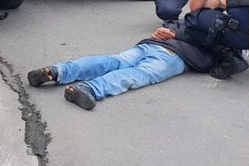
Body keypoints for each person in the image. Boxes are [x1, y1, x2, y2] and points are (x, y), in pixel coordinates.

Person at [26, 17, 220, 111]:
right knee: (138, 74)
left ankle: (56, 71)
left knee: (113, 61)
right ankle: (90, 89)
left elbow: (169, 24)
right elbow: (230, 59)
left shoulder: (199, 16)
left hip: (151, 44)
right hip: (172, 56)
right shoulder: (229, 35)